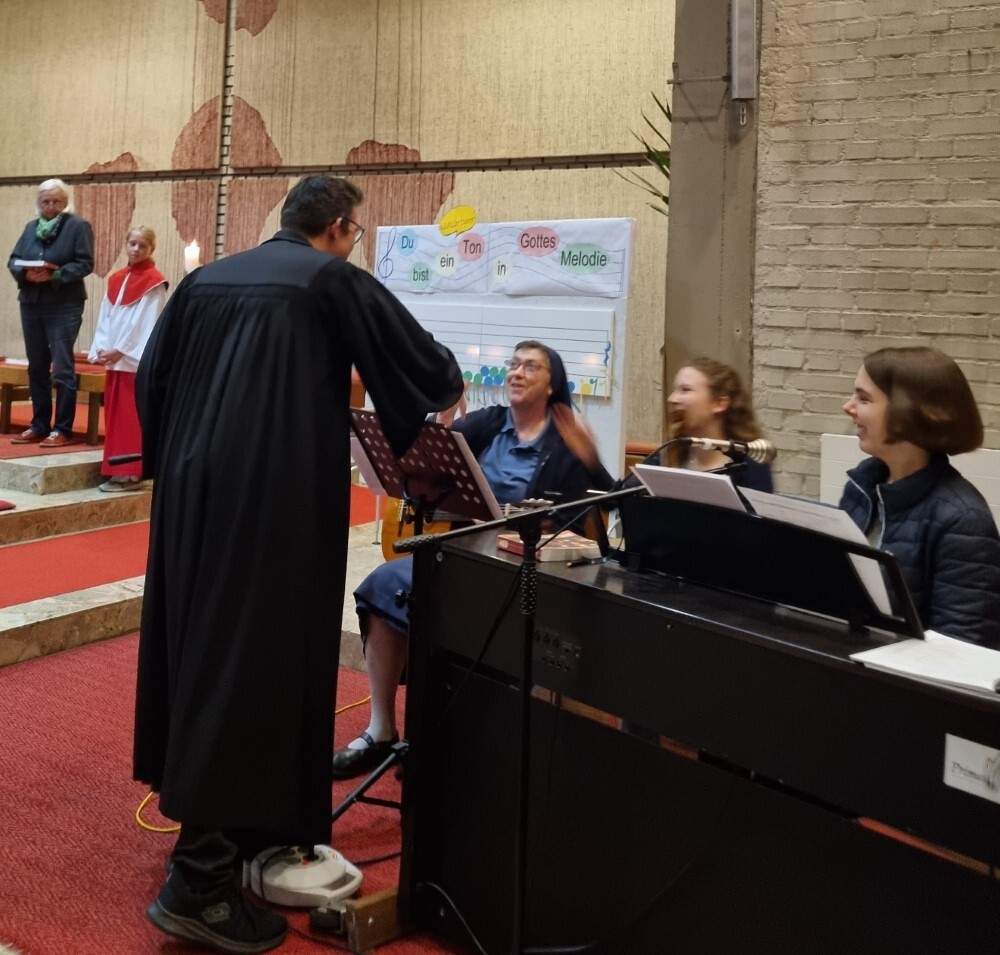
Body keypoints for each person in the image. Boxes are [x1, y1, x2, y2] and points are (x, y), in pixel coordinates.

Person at [133, 175, 464, 954]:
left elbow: (151, 380)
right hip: (270, 496)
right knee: (250, 663)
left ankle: (246, 832)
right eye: (356, 232)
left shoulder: (207, 280)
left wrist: (183, 462)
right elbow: (427, 370)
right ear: (340, 228)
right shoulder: (329, 281)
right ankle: (200, 880)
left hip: (190, 493)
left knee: (202, 649)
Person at [332, 340, 615, 780]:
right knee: (384, 584)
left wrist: (592, 463)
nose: (517, 372)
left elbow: (602, 508)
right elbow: (428, 461)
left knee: (443, 607)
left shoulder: (565, 443)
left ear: (552, 385)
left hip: (519, 569)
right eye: (514, 364)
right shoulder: (490, 422)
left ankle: (448, 738)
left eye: (531, 367)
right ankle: (382, 728)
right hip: (462, 553)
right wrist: (439, 426)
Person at [840, 346, 1000, 647]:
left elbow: (962, 647)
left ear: (910, 412)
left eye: (864, 398)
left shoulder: (964, 519)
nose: (848, 406)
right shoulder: (861, 487)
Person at [7, 179, 94, 447]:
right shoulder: (30, 228)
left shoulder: (77, 226)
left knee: (62, 367)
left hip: (64, 304)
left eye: (56, 201)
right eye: (45, 201)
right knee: (36, 366)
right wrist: (25, 274)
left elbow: (85, 263)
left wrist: (55, 275)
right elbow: (13, 259)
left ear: (65, 202)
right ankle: (39, 424)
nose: (51, 206)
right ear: (39, 203)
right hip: (31, 302)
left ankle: (62, 429)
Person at [88, 226, 168, 491]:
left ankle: (130, 474)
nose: (136, 249)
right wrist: (102, 348)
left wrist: (121, 350)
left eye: (142, 245)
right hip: (115, 360)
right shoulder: (116, 279)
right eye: (132, 243)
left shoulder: (154, 282)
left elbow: (146, 323)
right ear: (126, 244)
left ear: (151, 249)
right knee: (114, 417)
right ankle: (116, 470)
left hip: (133, 362)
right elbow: (106, 317)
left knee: (129, 417)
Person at [664, 356, 773, 491]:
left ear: (719, 403)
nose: (672, 399)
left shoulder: (749, 467)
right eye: (674, 390)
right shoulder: (665, 456)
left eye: (685, 390)